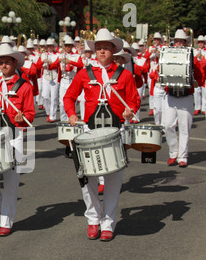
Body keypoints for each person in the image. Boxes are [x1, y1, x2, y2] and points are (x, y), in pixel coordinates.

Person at [64, 28, 140, 241]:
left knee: (113, 180)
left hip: (116, 131)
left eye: (106, 47)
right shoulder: (84, 73)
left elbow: (134, 100)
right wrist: (71, 114)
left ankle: (108, 222)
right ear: (94, 50)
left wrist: (129, 111)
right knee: (87, 178)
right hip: (90, 131)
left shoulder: (124, 74)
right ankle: (93, 219)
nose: (102, 51)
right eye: (99, 48)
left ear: (113, 50)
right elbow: (69, 97)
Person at [0, 43, 35, 237]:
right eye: (1, 62)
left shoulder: (25, 87)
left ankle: (6, 220)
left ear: (14, 63)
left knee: (12, 180)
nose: (3, 65)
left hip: (14, 136)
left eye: (7, 62)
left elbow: (30, 115)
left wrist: (23, 117)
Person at [163, 29, 203, 168]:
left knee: (185, 128)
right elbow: (161, 71)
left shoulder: (191, 57)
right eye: (177, 41)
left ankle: (183, 157)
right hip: (171, 95)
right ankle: (173, 152)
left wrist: (196, 82)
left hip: (186, 96)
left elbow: (200, 76)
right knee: (167, 125)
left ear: (186, 43)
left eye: (182, 41)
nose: (179, 43)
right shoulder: (167, 55)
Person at [36, 38, 60, 122]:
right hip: (46, 75)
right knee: (45, 95)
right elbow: (38, 66)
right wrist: (42, 61)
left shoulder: (57, 55)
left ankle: (52, 116)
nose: (49, 47)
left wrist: (50, 63)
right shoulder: (43, 55)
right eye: (48, 46)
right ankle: (48, 112)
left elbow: (56, 65)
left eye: (51, 46)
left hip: (54, 75)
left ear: (53, 47)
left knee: (54, 97)